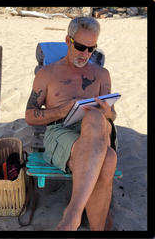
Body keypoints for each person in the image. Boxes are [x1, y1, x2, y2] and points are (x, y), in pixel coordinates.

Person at [25, 17, 117, 231]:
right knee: (109, 158)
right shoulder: (47, 74)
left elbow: (112, 116)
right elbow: (30, 115)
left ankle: (72, 215)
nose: (85, 54)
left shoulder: (102, 75)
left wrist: (108, 113)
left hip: (98, 129)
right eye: (80, 47)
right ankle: (97, 228)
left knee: (95, 117)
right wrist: (61, 110)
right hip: (61, 130)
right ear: (68, 40)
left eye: (91, 49)